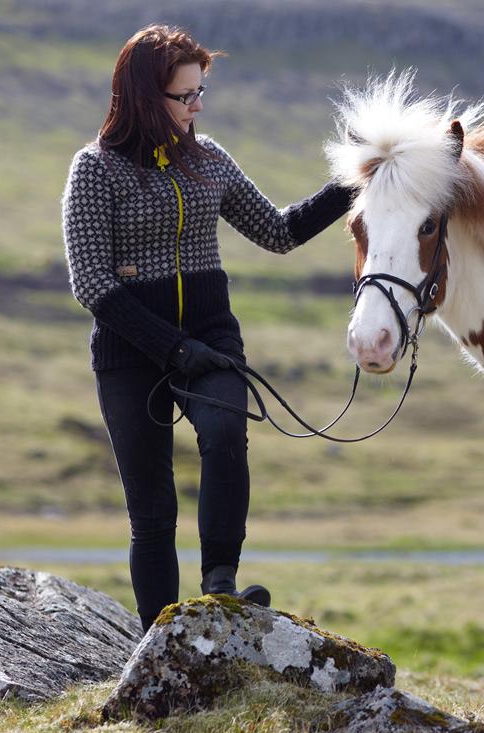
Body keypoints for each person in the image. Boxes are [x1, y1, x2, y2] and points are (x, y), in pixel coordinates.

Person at [61, 24, 352, 632]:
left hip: (212, 337)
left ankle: (220, 583)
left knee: (225, 435)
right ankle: (157, 638)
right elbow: (93, 284)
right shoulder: (94, 170)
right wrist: (171, 346)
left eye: (200, 94)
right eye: (185, 96)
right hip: (129, 351)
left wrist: (356, 181)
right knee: (152, 508)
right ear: (145, 97)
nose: (197, 106)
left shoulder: (210, 159)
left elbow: (279, 232)